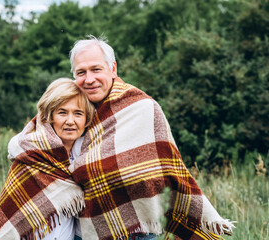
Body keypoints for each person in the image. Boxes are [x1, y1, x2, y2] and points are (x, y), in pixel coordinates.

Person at [67, 35, 235, 240]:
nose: (89, 79)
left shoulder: (142, 108)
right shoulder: (67, 112)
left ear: (113, 69)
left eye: (96, 69)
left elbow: (166, 168)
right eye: (81, 72)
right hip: (84, 231)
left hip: (139, 230)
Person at [0, 78, 95, 240]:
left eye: (78, 113)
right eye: (62, 112)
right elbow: (10, 220)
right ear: (50, 116)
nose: (70, 121)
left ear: (87, 119)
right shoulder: (32, 156)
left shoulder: (89, 157)